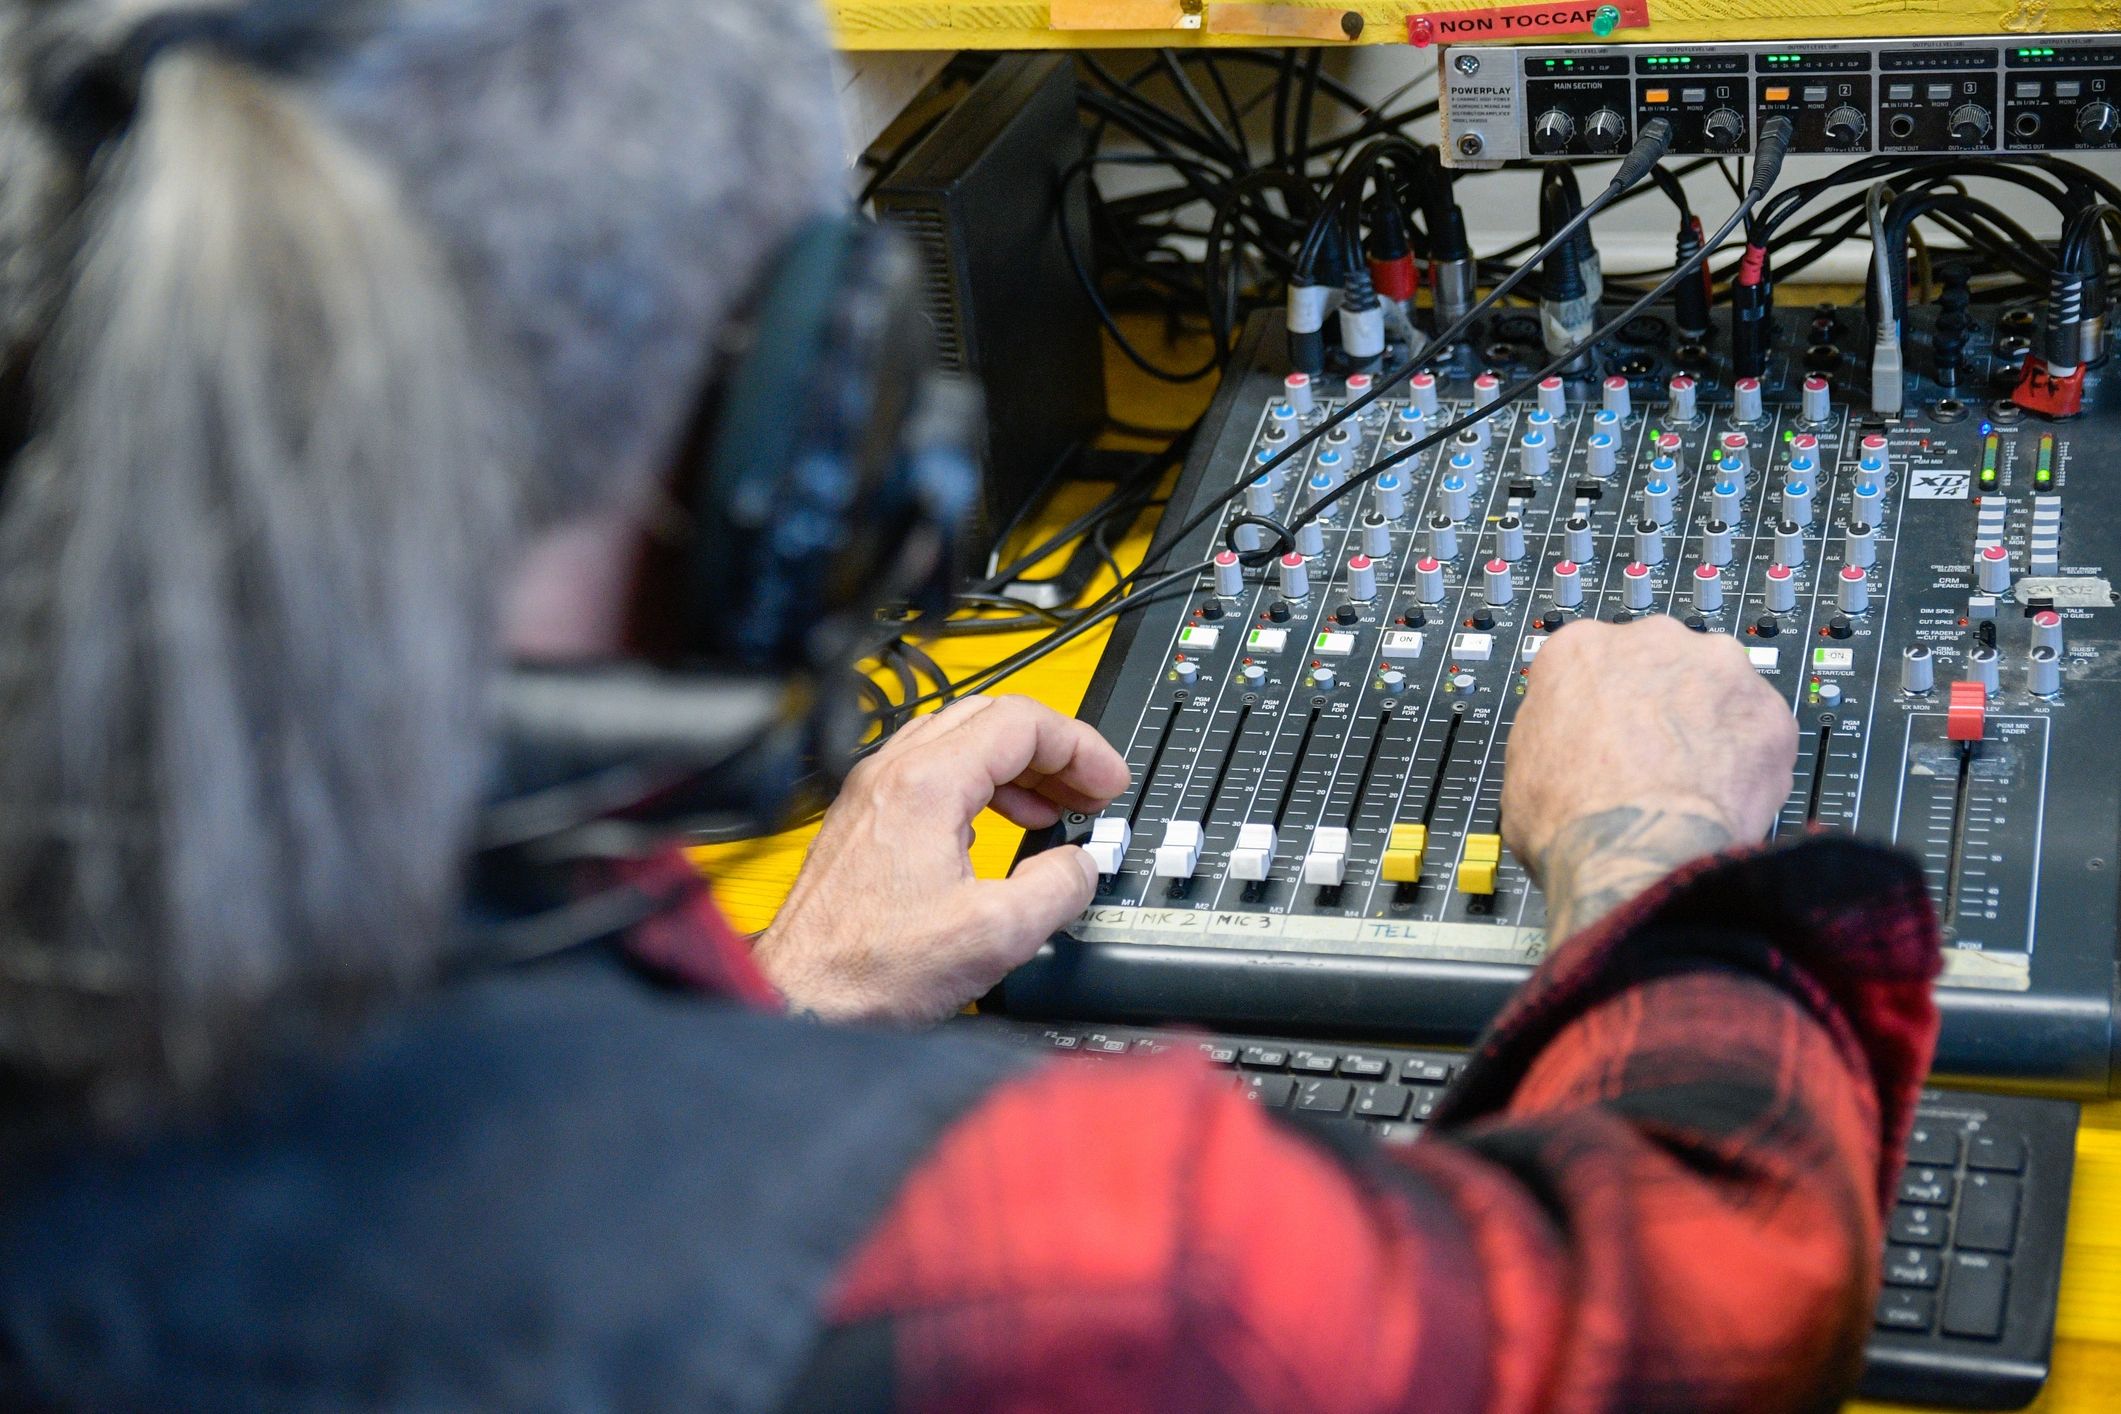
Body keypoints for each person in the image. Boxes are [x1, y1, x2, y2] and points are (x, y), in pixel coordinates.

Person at [0, 1, 1940, 1410]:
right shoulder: (1083, 1258)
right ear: (797, 448)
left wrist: (778, 998)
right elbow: (1693, 1294)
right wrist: (1645, 836)